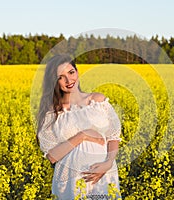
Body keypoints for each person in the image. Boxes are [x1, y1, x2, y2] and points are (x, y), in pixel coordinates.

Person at [36, 54, 122, 199]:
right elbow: (52, 156)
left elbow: (113, 137)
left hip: (103, 175)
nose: (69, 80)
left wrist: (108, 163)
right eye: (61, 77)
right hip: (69, 180)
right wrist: (83, 136)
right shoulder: (53, 113)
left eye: (71, 72)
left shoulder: (98, 100)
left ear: (77, 71)